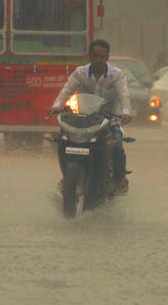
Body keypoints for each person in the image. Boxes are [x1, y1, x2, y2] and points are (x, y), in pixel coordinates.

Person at [46, 39, 131, 194]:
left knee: (117, 145)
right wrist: (57, 106)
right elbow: (66, 90)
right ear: (90, 56)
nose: (98, 59)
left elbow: (123, 94)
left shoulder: (116, 75)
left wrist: (125, 112)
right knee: (63, 139)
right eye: (95, 55)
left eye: (102, 56)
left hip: (109, 119)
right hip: (84, 118)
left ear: (107, 57)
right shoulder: (80, 72)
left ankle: (120, 179)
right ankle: (66, 176)